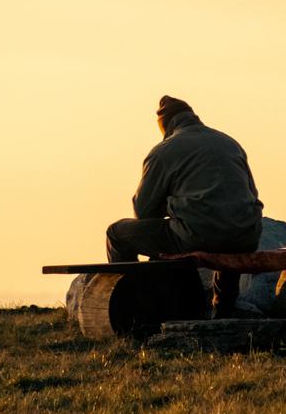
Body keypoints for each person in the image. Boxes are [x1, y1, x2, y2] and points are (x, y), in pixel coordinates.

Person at [106, 95, 264, 317]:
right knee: (228, 226)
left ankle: (132, 305)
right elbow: (250, 193)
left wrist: (169, 204)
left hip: (197, 236)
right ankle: (225, 307)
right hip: (248, 235)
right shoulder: (229, 142)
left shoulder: (165, 150)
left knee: (116, 232)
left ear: (165, 125)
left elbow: (143, 211)